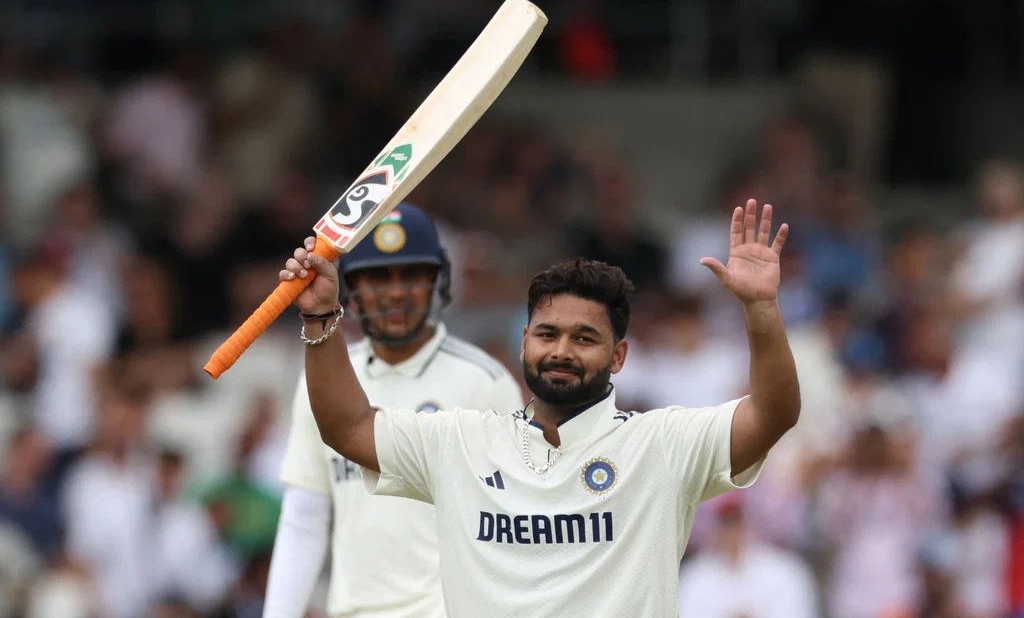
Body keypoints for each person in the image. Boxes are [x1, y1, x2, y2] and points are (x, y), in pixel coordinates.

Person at [280, 199, 800, 616]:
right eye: (548, 334)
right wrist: (322, 317)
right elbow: (346, 426)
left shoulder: (661, 445)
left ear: (619, 355)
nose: (561, 351)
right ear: (524, 340)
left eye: (585, 338)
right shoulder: (461, 442)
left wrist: (761, 310)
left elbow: (772, 415)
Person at [263, 203, 523, 618]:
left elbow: (516, 527)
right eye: (378, 276)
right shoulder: (322, 382)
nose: (396, 291)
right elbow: (304, 516)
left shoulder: (486, 383)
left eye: (413, 274)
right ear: (349, 288)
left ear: (439, 281)